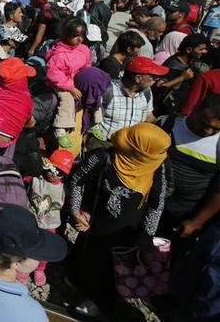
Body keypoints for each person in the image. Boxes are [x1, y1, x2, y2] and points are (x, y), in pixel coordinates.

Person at [68, 123, 170, 316]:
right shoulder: (106, 156)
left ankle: (98, 301)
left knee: (114, 268)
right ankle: (78, 284)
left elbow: (157, 203)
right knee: (89, 257)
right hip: (96, 225)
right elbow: (77, 179)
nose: (162, 154)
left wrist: (147, 234)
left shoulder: (157, 166)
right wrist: (75, 211)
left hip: (128, 233)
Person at [157, 94, 220, 256]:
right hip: (148, 208)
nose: (208, 131)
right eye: (205, 123)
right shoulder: (167, 124)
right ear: (196, 109)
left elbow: (218, 191)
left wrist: (197, 221)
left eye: (216, 129)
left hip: (182, 219)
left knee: (162, 259)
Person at [24, 148, 74, 286]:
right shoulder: (35, 178)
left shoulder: (65, 189)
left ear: (65, 175)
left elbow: (73, 203)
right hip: (31, 220)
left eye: (59, 172)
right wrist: (38, 162)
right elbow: (23, 173)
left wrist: (80, 212)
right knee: (27, 244)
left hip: (50, 225)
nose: (53, 174)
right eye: (52, 168)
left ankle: (40, 269)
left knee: (44, 248)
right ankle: (24, 269)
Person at [90, 56, 166, 142]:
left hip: (130, 147)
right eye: (153, 76)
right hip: (105, 145)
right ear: (138, 78)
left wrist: (163, 123)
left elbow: (148, 116)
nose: (156, 79)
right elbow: (91, 119)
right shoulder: (107, 90)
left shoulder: (147, 92)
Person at [45, 17, 92, 148]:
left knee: (94, 92)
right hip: (61, 84)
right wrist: (70, 88)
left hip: (75, 81)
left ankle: (96, 123)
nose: (80, 39)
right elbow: (54, 74)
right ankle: (60, 127)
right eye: (76, 36)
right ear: (66, 35)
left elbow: (87, 65)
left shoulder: (83, 49)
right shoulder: (58, 54)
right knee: (67, 99)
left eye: (82, 36)